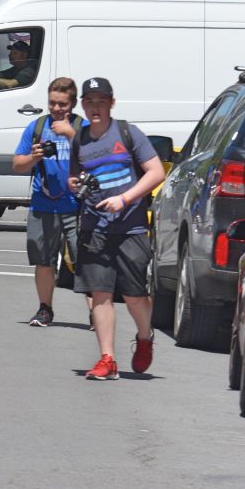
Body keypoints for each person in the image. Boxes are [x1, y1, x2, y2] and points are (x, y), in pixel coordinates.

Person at [68, 77, 167, 380]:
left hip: (130, 227)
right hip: (94, 226)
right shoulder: (79, 139)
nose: (95, 107)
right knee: (101, 293)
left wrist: (124, 199)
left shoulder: (128, 132)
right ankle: (107, 358)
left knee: (135, 295)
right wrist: (74, 184)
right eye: (89, 102)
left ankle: (145, 335)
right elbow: (74, 177)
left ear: (112, 103)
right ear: (82, 105)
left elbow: (156, 172)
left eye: (101, 101)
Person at [13, 77, 85, 327]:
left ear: (73, 103)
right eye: (52, 103)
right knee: (43, 260)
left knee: (84, 259)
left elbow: (98, 157)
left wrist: (72, 135)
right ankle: (45, 309)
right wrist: (33, 157)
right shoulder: (36, 127)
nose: (57, 109)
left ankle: (95, 313)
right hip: (43, 204)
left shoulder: (82, 128)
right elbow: (17, 165)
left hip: (77, 205)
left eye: (62, 104)